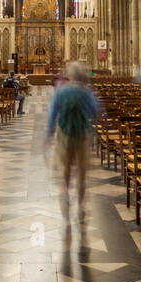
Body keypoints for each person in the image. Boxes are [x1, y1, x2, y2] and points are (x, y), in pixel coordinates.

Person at [46, 61, 103, 224]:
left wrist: (49, 135)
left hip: (64, 135)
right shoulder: (86, 92)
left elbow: (52, 116)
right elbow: (97, 112)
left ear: (69, 75)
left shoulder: (61, 92)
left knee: (66, 170)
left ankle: (65, 194)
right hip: (82, 136)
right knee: (82, 175)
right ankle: (81, 206)